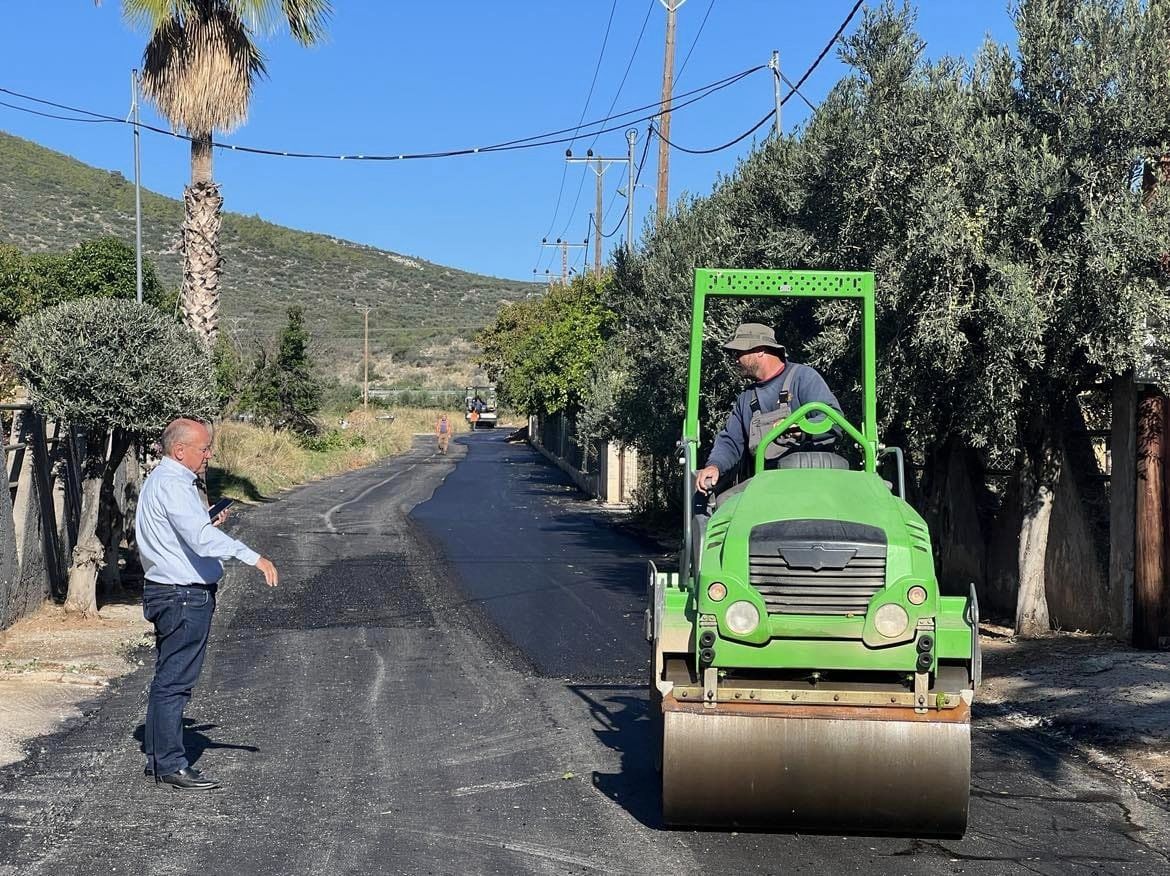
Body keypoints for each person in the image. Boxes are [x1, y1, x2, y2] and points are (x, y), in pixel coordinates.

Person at [135, 418, 279, 790]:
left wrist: (206, 522)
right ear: (180, 450)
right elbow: (199, 542)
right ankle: (170, 764)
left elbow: (184, 535)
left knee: (168, 677)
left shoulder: (164, 482)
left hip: (170, 591)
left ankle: (159, 756)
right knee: (175, 682)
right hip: (183, 596)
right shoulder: (173, 485)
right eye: (203, 448)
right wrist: (254, 557)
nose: (208, 454)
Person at [695, 323, 843, 494]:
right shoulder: (746, 398)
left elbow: (833, 420)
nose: (736, 359)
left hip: (813, 479)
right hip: (766, 488)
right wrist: (715, 465)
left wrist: (798, 428)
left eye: (740, 353)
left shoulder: (803, 377)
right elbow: (731, 441)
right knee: (724, 505)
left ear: (760, 350)